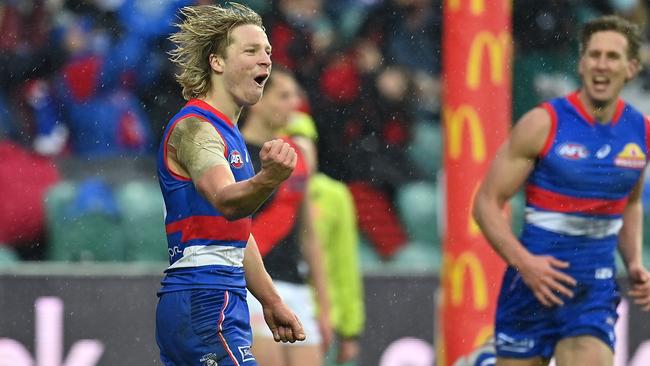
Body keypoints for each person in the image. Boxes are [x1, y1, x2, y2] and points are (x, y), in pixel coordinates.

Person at [473, 15, 650, 366]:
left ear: (631, 68)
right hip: (529, 287)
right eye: (594, 55)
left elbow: (629, 202)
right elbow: (485, 204)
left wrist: (632, 262)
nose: (602, 65)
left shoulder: (640, 133)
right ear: (581, 63)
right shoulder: (543, 124)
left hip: (592, 290)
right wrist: (525, 264)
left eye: (612, 57)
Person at [154, 4, 305, 365]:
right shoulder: (196, 128)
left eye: (267, 51)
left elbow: (235, 228)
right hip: (206, 293)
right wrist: (271, 177)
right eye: (250, 51)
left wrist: (270, 300)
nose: (265, 60)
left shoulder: (227, 132)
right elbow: (226, 201)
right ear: (216, 62)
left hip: (212, 292)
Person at [240, 67, 332, 366]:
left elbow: (309, 234)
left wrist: (325, 307)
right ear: (258, 98)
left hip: (294, 286)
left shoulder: (295, 155)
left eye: (295, 95)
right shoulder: (231, 151)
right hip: (249, 286)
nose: (293, 104)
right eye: (283, 96)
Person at [284, 111, 366, 365]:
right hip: (280, 310)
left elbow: (345, 263)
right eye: (296, 146)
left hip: (321, 319)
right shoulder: (271, 195)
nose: (303, 154)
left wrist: (350, 331)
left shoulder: (334, 195)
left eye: (308, 145)